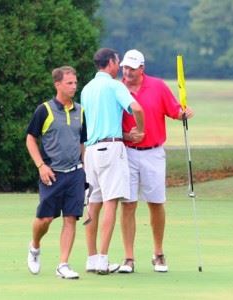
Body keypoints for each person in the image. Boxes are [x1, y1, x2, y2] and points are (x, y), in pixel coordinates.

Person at [118, 49, 194, 273]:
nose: (127, 71)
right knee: (128, 203)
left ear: (142, 69)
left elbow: (174, 110)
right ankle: (128, 258)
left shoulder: (158, 86)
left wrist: (183, 113)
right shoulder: (117, 87)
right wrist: (126, 136)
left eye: (132, 68)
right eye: (125, 67)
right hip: (127, 152)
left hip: (153, 152)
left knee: (156, 202)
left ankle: (158, 253)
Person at [81, 48, 145, 275]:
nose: (119, 66)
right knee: (111, 201)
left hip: (91, 151)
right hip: (111, 149)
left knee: (93, 203)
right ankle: (103, 259)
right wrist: (141, 129)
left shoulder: (86, 89)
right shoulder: (115, 85)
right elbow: (136, 107)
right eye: (117, 62)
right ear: (110, 63)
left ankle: (91, 257)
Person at [26, 66, 87, 279]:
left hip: (75, 173)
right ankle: (34, 246)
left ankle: (63, 264)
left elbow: (82, 142)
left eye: (75, 82)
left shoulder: (80, 110)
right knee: (45, 219)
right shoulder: (44, 110)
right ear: (58, 84)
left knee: (71, 218)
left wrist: (84, 169)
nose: (74, 86)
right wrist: (41, 166)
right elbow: (30, 139)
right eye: (69, 83)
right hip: (51, 173)